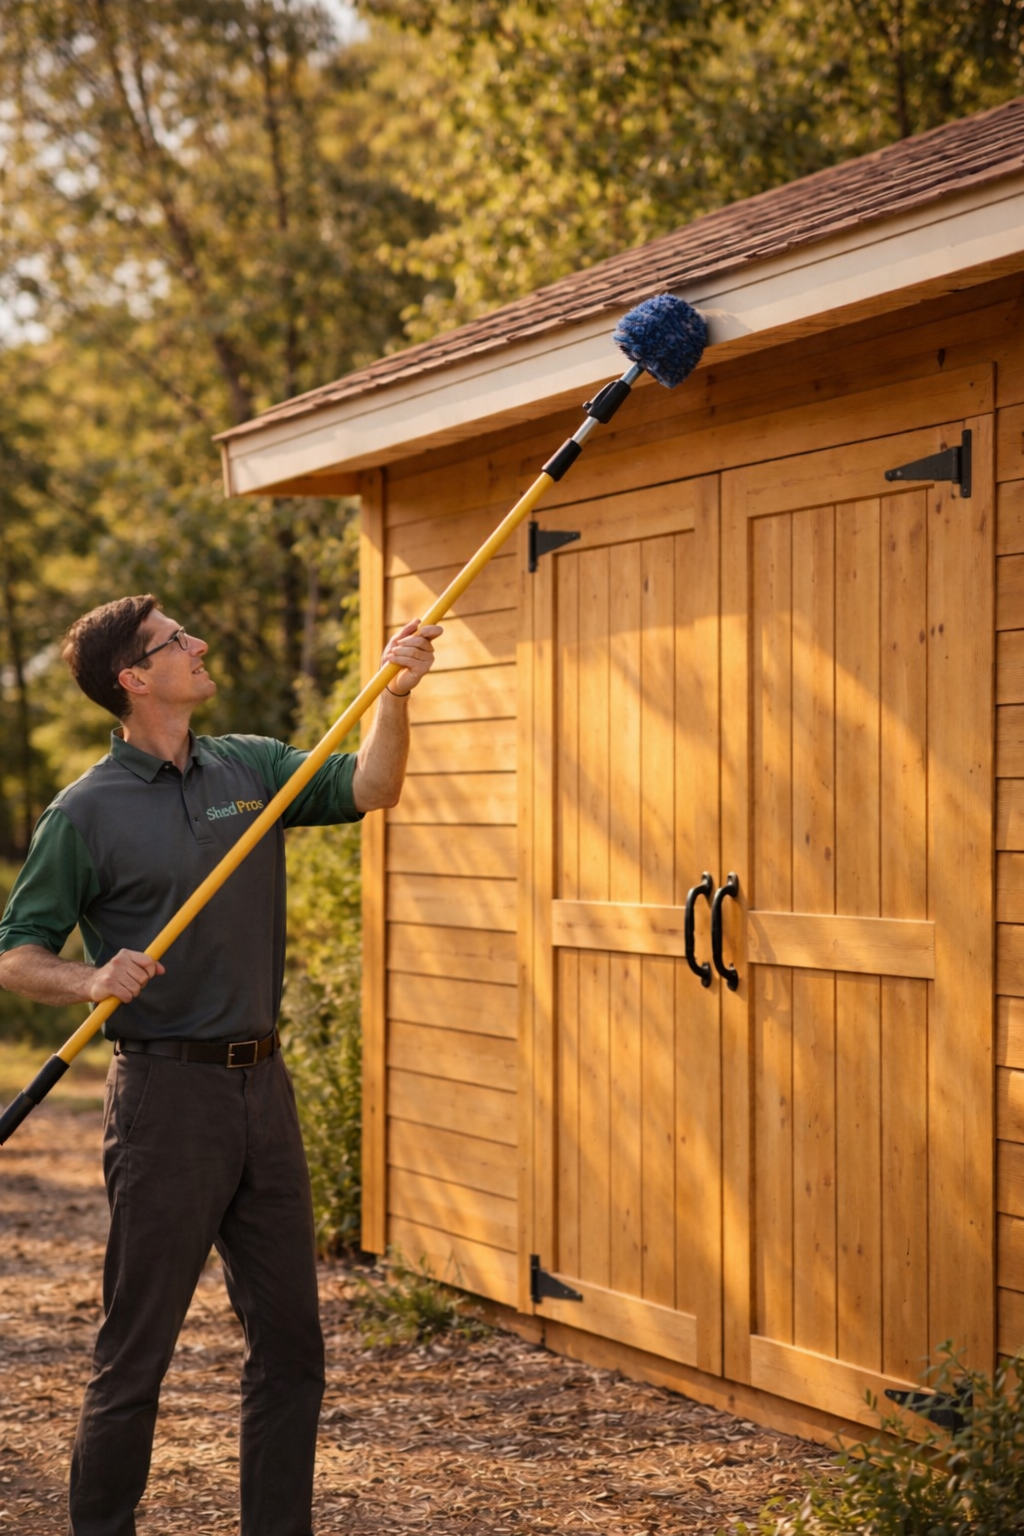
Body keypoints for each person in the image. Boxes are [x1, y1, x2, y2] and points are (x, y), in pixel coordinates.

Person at [0, 594, 441, 1536]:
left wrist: (396, 694)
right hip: (166, 1099)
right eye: (175, 642)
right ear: (133, 677)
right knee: (136, 1358)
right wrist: (88, 978)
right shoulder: (85, 812)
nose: (198, 645)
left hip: (262, 1090)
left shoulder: (253, 765)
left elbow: (372, 788)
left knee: (292, 1352)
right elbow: (16, 951)